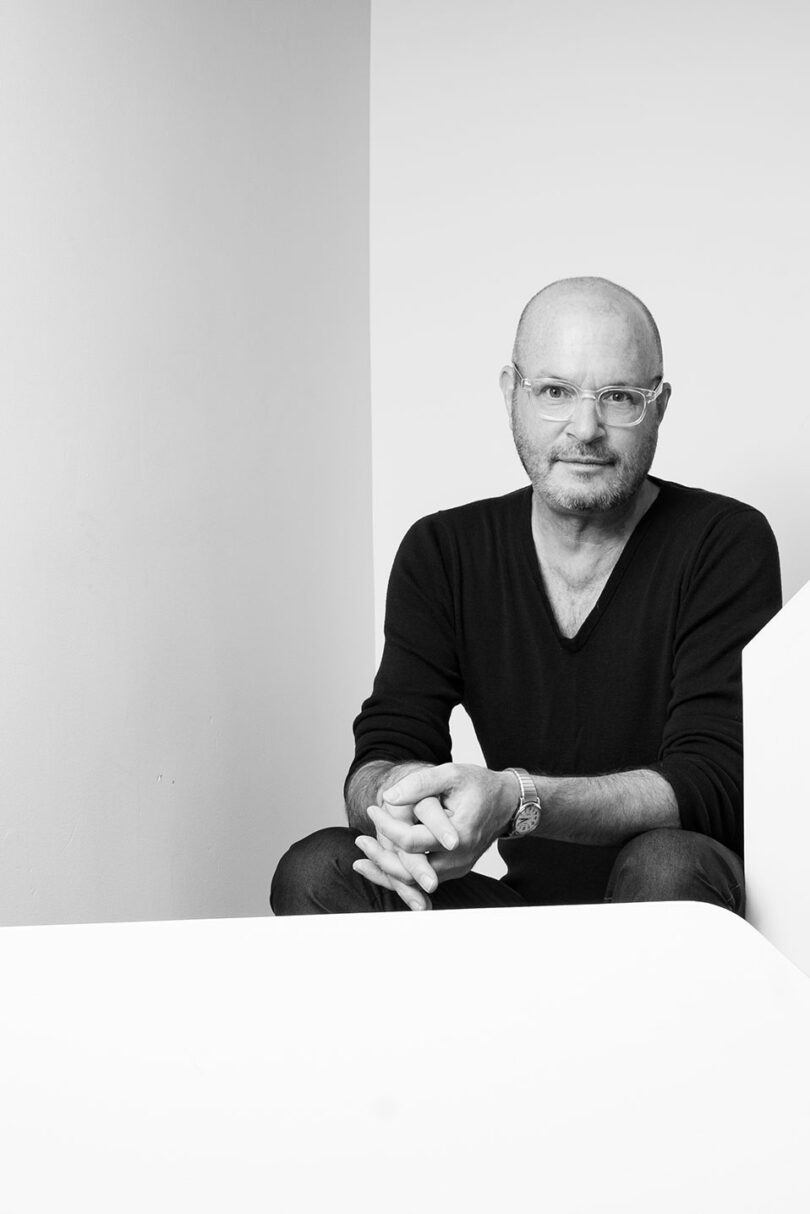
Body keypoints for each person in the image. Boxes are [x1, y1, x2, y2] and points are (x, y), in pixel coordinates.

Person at [271, 276, 782, 916]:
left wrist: (516, 800)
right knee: (321, 869)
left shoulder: (724, 541)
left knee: (665, 862)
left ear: (659, 406)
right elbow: (387, 744)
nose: (586, 427)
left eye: (619, 396)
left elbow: (712, 781)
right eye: (555, 392)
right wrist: (408, 806)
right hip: (520, 915)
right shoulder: (443, 551)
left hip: (677, 901)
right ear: (512, 393)